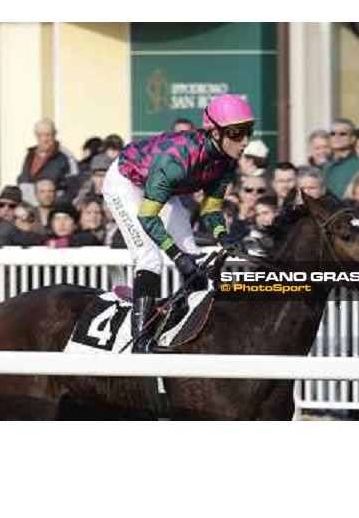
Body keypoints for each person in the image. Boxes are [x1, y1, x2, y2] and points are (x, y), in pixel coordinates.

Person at [102, 93, 256, 352]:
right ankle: (140, 340)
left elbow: (212, 206)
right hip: (125, 184)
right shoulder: (177, 161)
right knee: (150, 257)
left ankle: (189, 328)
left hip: (158, 189)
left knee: (193, 256)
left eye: (249, 132)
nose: (245, 142)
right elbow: (147, 217)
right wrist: (175, 255)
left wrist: (221, 234)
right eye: (237, 133)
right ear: (215, 133)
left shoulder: (226, 160)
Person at [17, 118, 75, 188]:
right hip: (27, 198)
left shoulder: (65, 156)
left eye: (48, 135)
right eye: (40, 135)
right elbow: (23, 179)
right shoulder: (30, 155)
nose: (44, 139)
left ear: (55, 134)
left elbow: (73, 185)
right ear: (35, 135)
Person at [323, 118, 359, 198]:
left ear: (352, 139)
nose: (337, 137)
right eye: (332, 134)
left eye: (342, 134)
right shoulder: (324, 165)